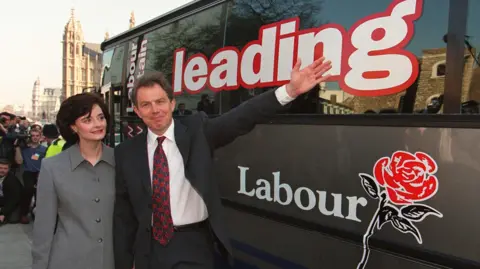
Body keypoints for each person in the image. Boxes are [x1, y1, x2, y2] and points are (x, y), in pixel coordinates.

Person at [113, 57, 332, 269]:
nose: (155, 110)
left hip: (192, 245)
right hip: (148, 250)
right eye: (146, 105)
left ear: (171, 103)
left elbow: (242, 117)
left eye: (160, 101)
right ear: (138, 111)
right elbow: (124, 217)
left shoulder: (198, 131)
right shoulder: (126, 153)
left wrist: (290, 91)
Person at [32, 93, 115, 269]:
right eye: (87, 120)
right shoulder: (52, 167)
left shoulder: (121, 162)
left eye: (101, 117)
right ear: (73, 127)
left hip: (113, 260)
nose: (98, 124)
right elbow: (43, 228)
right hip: (67, 260)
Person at [15, 128, 47, 224]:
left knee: (39, 193)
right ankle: (23, 214)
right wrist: (17, 147)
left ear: (40, 137)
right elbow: (19, 161)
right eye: (33, 135)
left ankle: (36, 212)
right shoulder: (24, 148)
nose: (35, 138)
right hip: (28, 172)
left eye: (37, 136)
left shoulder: (44, 149)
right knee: (28, 190)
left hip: (40, 173)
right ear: (30, 136)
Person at [0, 158, 23, 225]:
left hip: (12, 202)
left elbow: (13, 200)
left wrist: (3, 212)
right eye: (0, 168)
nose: (2, 170)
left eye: (5, 168)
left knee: (13, 219)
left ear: (9, 169)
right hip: (2, 198)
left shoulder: (12, 181)